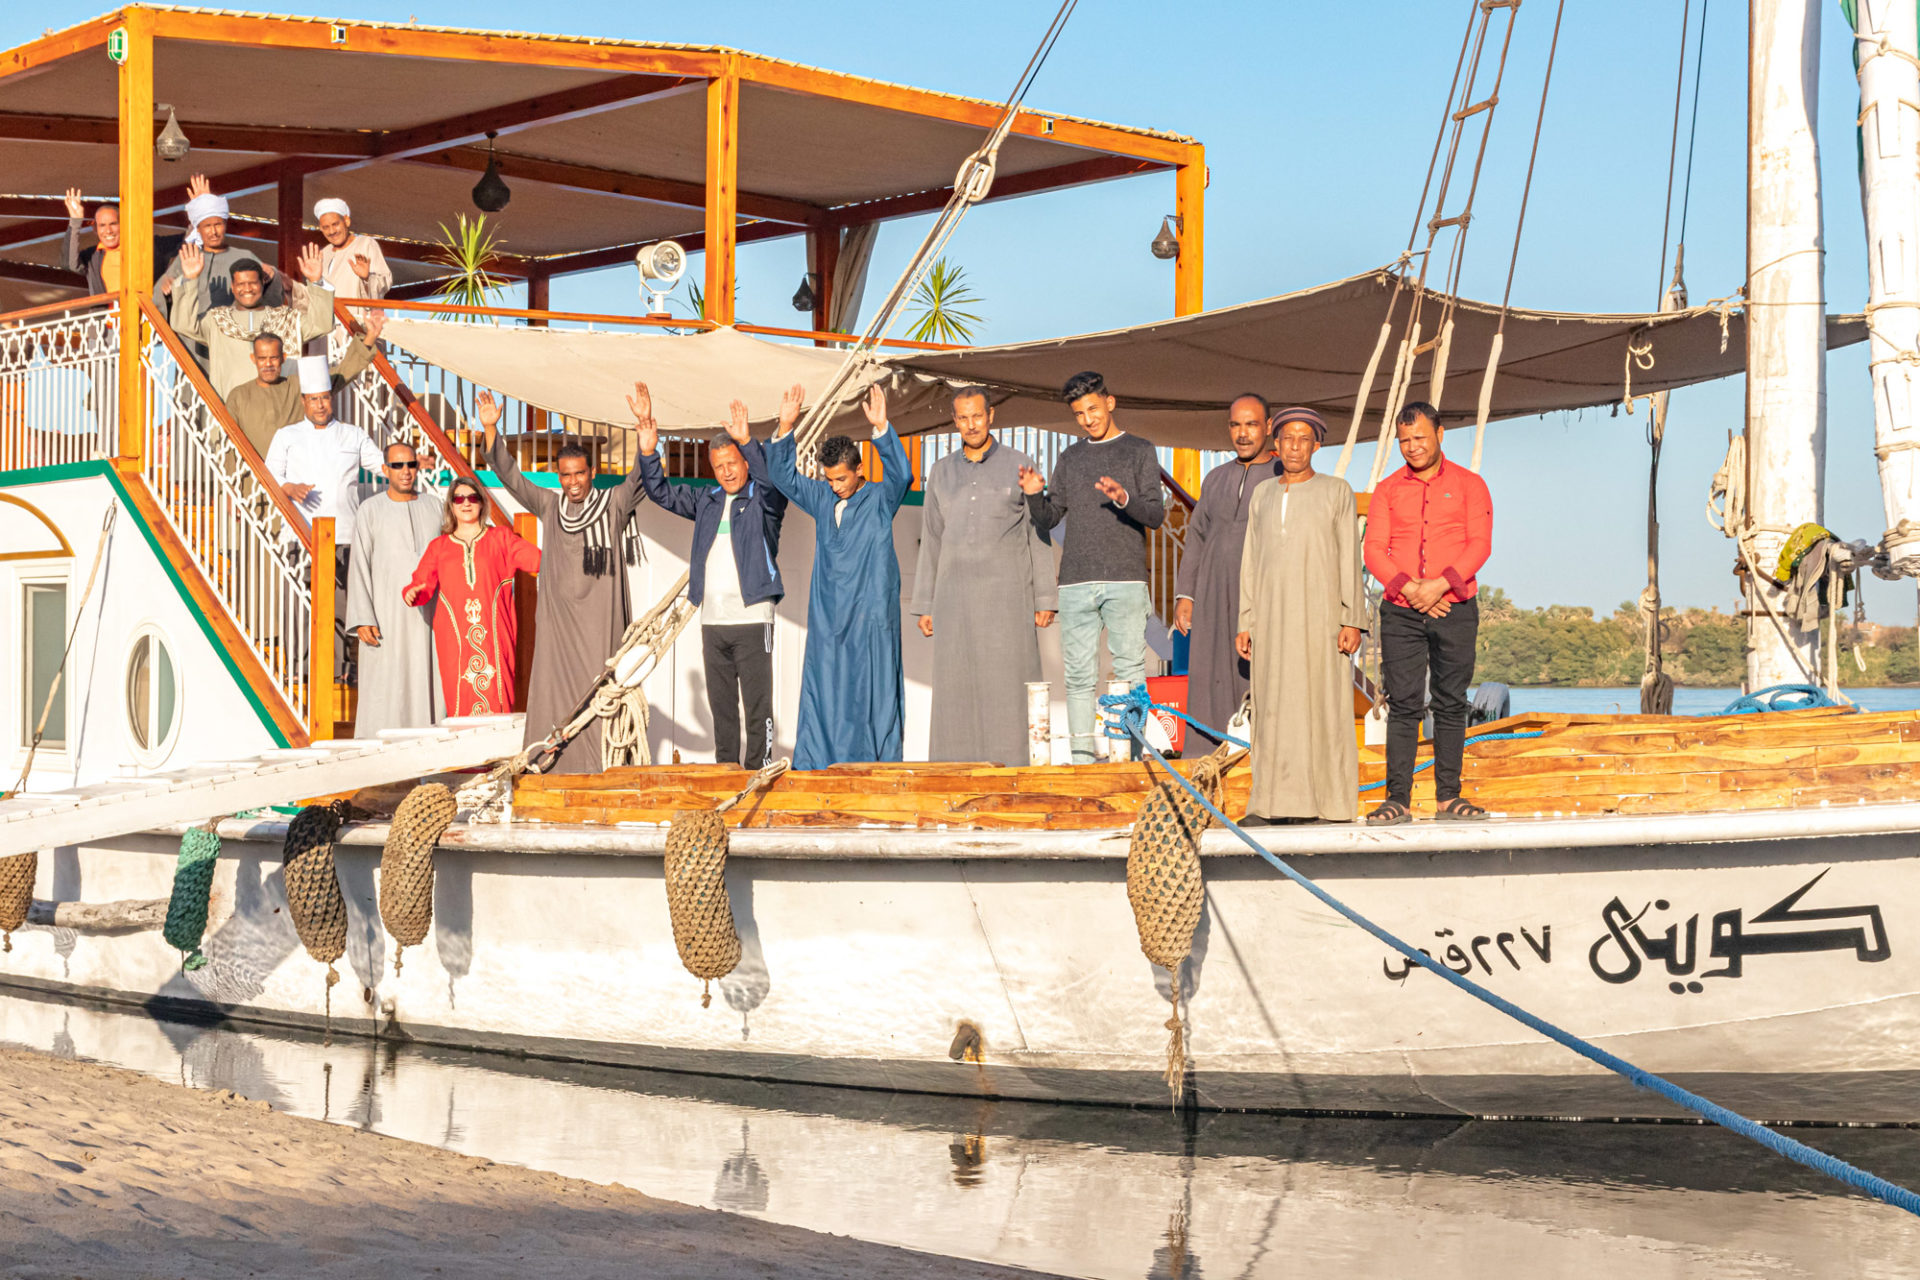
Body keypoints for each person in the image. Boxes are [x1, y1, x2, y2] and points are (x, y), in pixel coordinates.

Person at [481, 387, 651, 774]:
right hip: (558, 627)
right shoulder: (550, 505)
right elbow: (510, 478)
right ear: (559, 476)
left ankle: (602, 768)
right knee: (553, 695)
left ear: (591, 472)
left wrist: (644, 432)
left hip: (601, 625)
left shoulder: (614, 504)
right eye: (566, 475)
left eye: (580, 474)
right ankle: (549, 768)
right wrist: (492, 429)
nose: (573, 482)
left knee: (600, 694)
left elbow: (641, 478)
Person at [1018, 371, 1165, 764]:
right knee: (1079, 680)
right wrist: (1034, 497)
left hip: (1126, 581)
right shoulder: (1069, 458)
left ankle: (1130, 761)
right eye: (1079, 413)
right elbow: (1049, 518)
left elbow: (1154, 515)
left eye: (1093, 409)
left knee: (1130, 674)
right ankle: (1083, 765)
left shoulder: (1140, 450)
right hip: (1076, 584)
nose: (1087, 419)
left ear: (1110, 403)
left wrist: (1123, 498)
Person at [636, 396, 789, 769]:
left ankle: (759, 770)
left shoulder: (763, 500)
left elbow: (772, 481)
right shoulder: (707, 500)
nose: (727, 472)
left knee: (757, 705)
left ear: (744, 463)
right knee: (722, 707)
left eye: (733, 463)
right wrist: (647, 451)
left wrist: (749, 442)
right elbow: (661, 493)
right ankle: (726, 770)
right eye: (719, 466)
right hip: (713, 622)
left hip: (753, 617)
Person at [766, 384, 912, 769]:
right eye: (830, 479)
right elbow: (783, 477)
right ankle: (818, 765)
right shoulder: (822, 497)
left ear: (859, 470)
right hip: (829, 616)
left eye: (842, 479)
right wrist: (785, 426)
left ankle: (875, 770)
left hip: (870, 618)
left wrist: (881, 428)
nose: (835, 486)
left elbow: (903, 473)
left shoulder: (881, 499)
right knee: (826, 690)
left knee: (872, 693)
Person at [1362, 401, 1494, 824]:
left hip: (1454, 606)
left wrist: (1439, 585)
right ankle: (1396, 799)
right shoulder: (1387, 489)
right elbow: (1374, 550)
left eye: (1420, 437)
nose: (1412, 447)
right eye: (1404, 441)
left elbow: (1480, 545)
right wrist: (1411, 590)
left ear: (1440, 433)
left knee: (1451, 702)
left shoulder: (1471, 485)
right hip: (1401, 610)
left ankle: (1448, 798)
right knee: (1403, 703)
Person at [910, 385, 1057, 764]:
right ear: (954, 420)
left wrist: (1044, 597)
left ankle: (1015, 772)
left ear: (991, 416)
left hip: (1008, 597)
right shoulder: (940, 472)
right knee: (956, 687)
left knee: (1008, 686)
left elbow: (1037, 533)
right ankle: (953, 772)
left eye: (977, 416)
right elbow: (933, 538)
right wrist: (925, 603)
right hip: (953, 599)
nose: (971, 424)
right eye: (963, 418)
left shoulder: (1020, 464)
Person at [1234, 407, 1367, 823]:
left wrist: (1352, 619)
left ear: (1316, 445)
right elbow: (1251, 561)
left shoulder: (1336, 491)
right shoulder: (1263, 495)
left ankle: (1326, 804)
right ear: (1275, 444)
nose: (1294, 446)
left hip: (1321, 619)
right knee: (1272, 708)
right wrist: (1246, 620)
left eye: (1303, 439)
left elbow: (1349, 557)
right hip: (1270, 620)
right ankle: (1269, 804)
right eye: (1287, 438)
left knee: (1321, 707)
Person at [1173, 393, 1278, 747]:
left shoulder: (1283, 476)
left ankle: (1261, 756)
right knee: (1210, 674)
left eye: (1251, 424)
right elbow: (1198, 536)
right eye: (1236, 425)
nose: (1243, 433)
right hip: (1213, 592)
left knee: (1259, 675)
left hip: (1262, 594)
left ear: (1268, 427)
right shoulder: (1216, 478)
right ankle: (1205, 756)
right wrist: (1186, 594)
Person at [404, 475, 541, 718]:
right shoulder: (439, 546)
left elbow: (540, 559)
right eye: (458, 499)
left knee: (499, 697)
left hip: (495, 634)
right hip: (455, 639)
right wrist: (413, 592)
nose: (465, 503)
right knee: (460, 696)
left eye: (472, 498)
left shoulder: (501, 539)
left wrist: (572, 551)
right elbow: (422, 583)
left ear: (481, 503)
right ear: (451, 506)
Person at [346, 442, 444, 737]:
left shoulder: (435, 506)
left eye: (411, 465)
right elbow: (359, 564)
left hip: (428, 615)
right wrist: (363, 616)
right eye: (398, 466)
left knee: (428, 678)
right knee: (385, 684)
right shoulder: (370, 509)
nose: (405, 472)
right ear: (385, 470)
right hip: (385, 615)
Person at [171, 241, 335, 398]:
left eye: (252, 283)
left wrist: (316, 281)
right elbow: (183, 324)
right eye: (241, 284)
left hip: (277, 414)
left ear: (262, 284)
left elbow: (321, 325)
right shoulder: (217, 320)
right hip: (228, 415)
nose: (247, 288)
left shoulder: (284, 319)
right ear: (232, 287)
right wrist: (190, 279)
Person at [264, 355, 385, 553]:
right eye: (313, 399)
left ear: (331, 398)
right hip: (300, 533)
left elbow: (381, 464)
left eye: (324, 398)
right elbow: (269, 475)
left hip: (345, 534)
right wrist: (289, 488)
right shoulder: (286, 435)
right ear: (304, 401)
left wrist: (409, 462)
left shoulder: (353, 434)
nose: (320, 405)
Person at [226, 311, 382, 459]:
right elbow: (228, 444)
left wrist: (370, 337)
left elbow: (343, 373)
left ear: (283, 358)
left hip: (295, 480)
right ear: (253, 359)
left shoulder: (297, 386)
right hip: (252, 482)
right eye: (262, 358)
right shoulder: (239, 396)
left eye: (273, 358)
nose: (268, 364)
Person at [159, 174, 287, 318]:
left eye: (218, 224)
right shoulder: (185, 259)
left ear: (225, 225)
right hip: (187, 338)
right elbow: (159, 303)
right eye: (207, 225)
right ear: (198, 229)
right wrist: (167, 289)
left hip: (232, 336)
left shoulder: (244, 257)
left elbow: (272, 304)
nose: (213, 232)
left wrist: (272, 277)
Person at [62, 188, 182, 295]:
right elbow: (69, 263)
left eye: (113, 224)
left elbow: (188, 241)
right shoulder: (92, 256)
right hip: (107, 320)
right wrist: (75, 222)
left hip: (145, 317)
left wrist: (170, 275)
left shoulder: (149, 245)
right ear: (95, 229)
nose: (108, 231)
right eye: (102, 225)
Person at [312, 197, 390, 352]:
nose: (332, 231)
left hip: (357, 330)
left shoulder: (365, 244)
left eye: (335, 224)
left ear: (346, 221)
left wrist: (366, 278)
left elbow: (384, 282)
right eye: (326, 227)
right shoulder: (323, 254)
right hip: (326, 336)